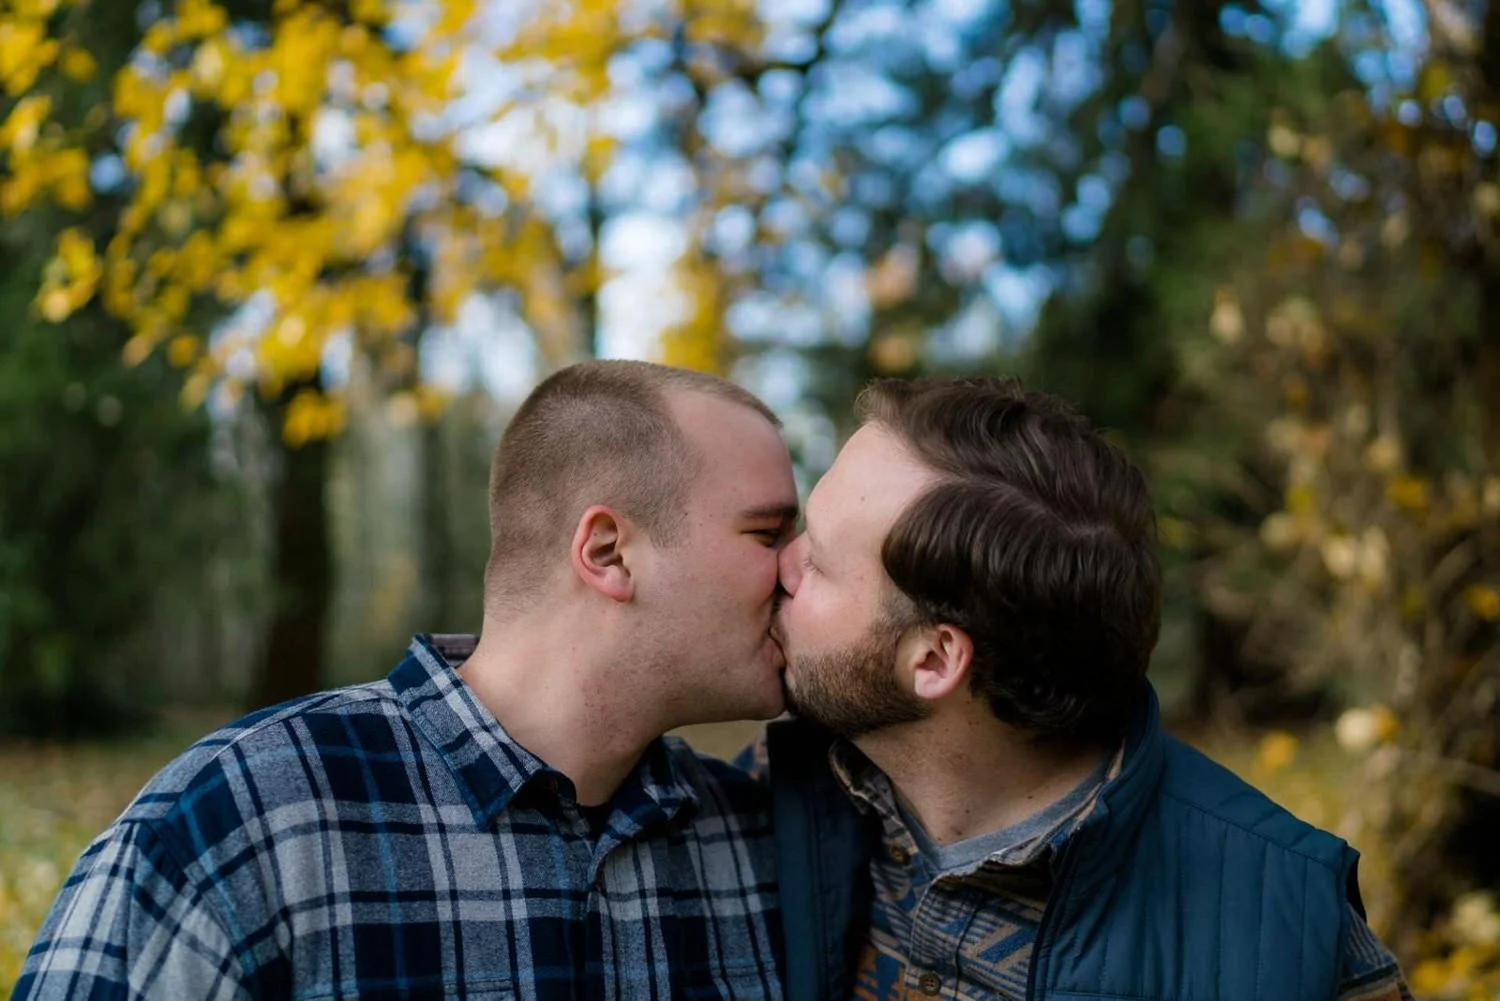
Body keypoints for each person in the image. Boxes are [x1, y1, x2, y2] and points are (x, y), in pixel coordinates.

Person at [16, 360, 799, 1000]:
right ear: (606, 553)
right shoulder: (244, 820)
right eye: (769, 532)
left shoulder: (767, 842)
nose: (799, 566)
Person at [763, 376, 1411, 1001]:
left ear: (934, 659)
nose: (780, 566)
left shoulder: (1290, 931)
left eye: (816, 560)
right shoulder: (779, 802)